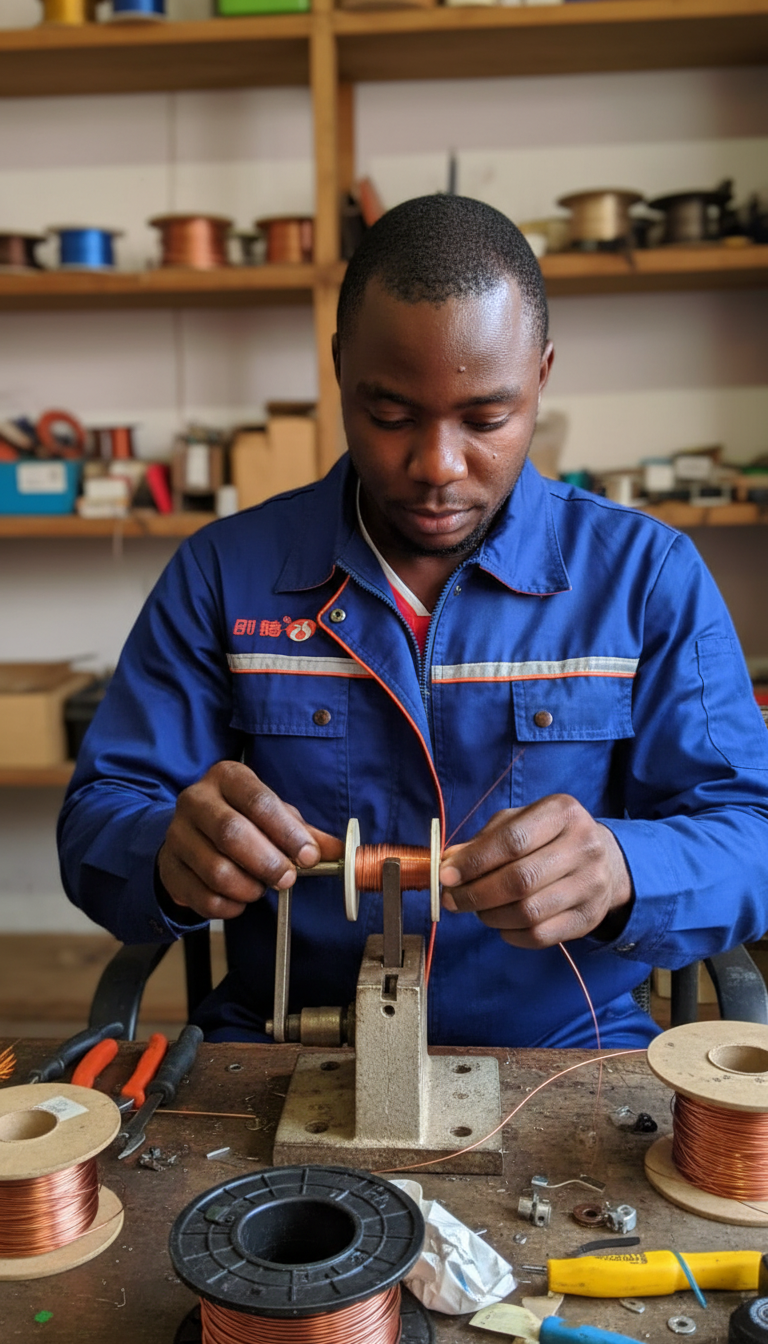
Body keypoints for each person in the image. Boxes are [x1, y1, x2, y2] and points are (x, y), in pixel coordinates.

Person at [58, 195, 768, 1047]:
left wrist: (625, 869)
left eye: (485, 420)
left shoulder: (645, 578)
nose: (437, 466)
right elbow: (100, 815)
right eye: (390, 415)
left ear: (541, 377)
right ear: (340, 371)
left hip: (561, 1047)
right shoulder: (224, 574)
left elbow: (751, 832)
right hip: (286, 1041)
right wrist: (167, 854)